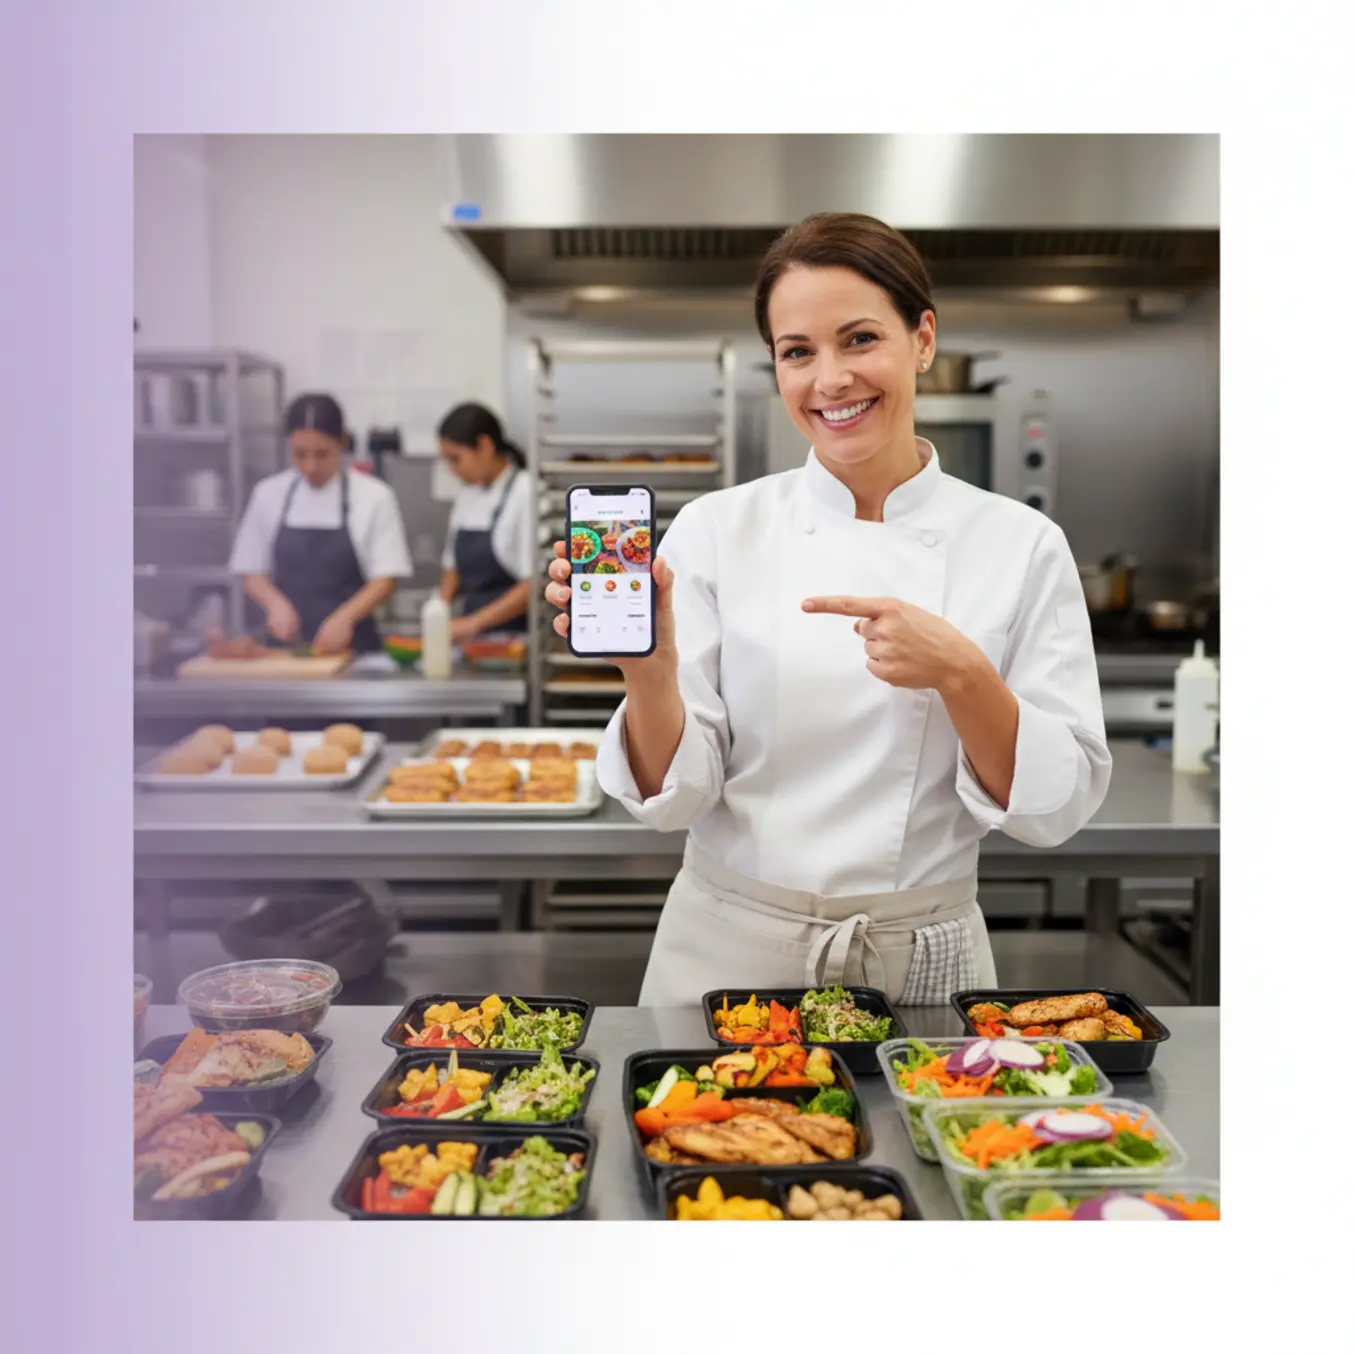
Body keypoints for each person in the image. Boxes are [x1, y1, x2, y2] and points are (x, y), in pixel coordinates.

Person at [544, 213, 1112, 1006]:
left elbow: (1057, 804)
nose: (831, 379)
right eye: (797, 352)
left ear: (922, 339)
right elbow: (677, 801)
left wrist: (962, 674)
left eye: (860, 339)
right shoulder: (717, 530)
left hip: (917, 956)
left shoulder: (1020, 543)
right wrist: (649, 672)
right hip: (730, 953)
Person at [229, 392, 412, 653]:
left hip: (354, 650)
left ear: (342, 442)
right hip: (285, 651)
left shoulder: (374, 496)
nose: (311, 467)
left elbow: (386, 577)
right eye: (300, 454)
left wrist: (346, 617)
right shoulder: (268, 493)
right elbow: (250, 570)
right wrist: (274, 604)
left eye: (322, 454)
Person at [437, 403, 533, 640]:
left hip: (514, 639)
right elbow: (452, 568)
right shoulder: (467, 494)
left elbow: (533, 584)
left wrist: (474, 623)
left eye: (456, 459)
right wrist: (438, 612)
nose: (452, 470)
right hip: (471, 640)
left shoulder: (525, 490)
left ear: (484, 445)